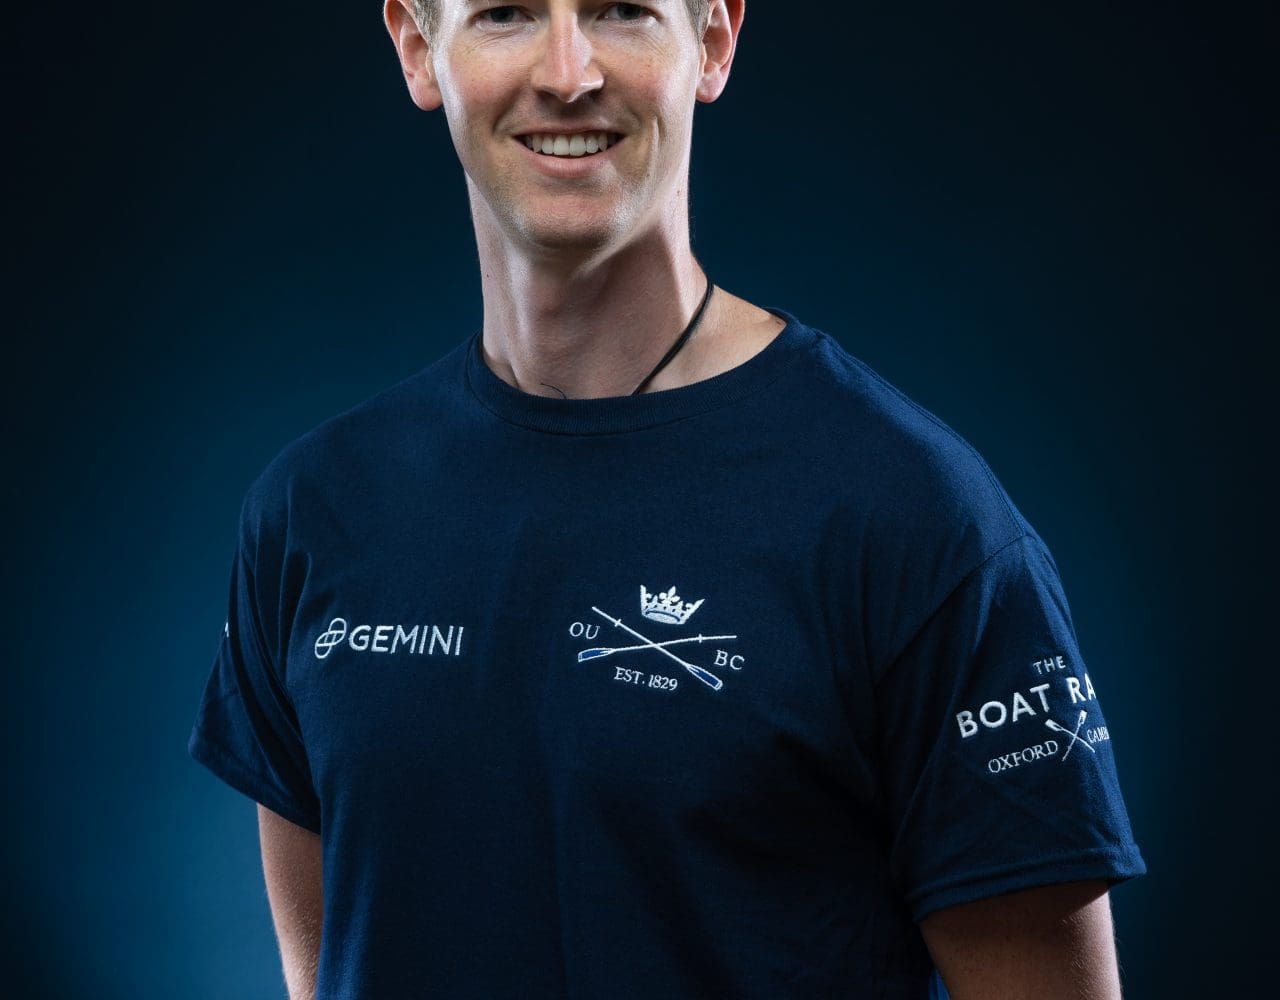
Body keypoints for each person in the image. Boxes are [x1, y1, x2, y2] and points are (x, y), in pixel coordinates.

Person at [187, 2, 1147, 997]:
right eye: (506, 14)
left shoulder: (913, 519)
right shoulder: (313, 510)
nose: (567, 72)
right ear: (419, 49)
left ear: (714, 41)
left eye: (623, 11)